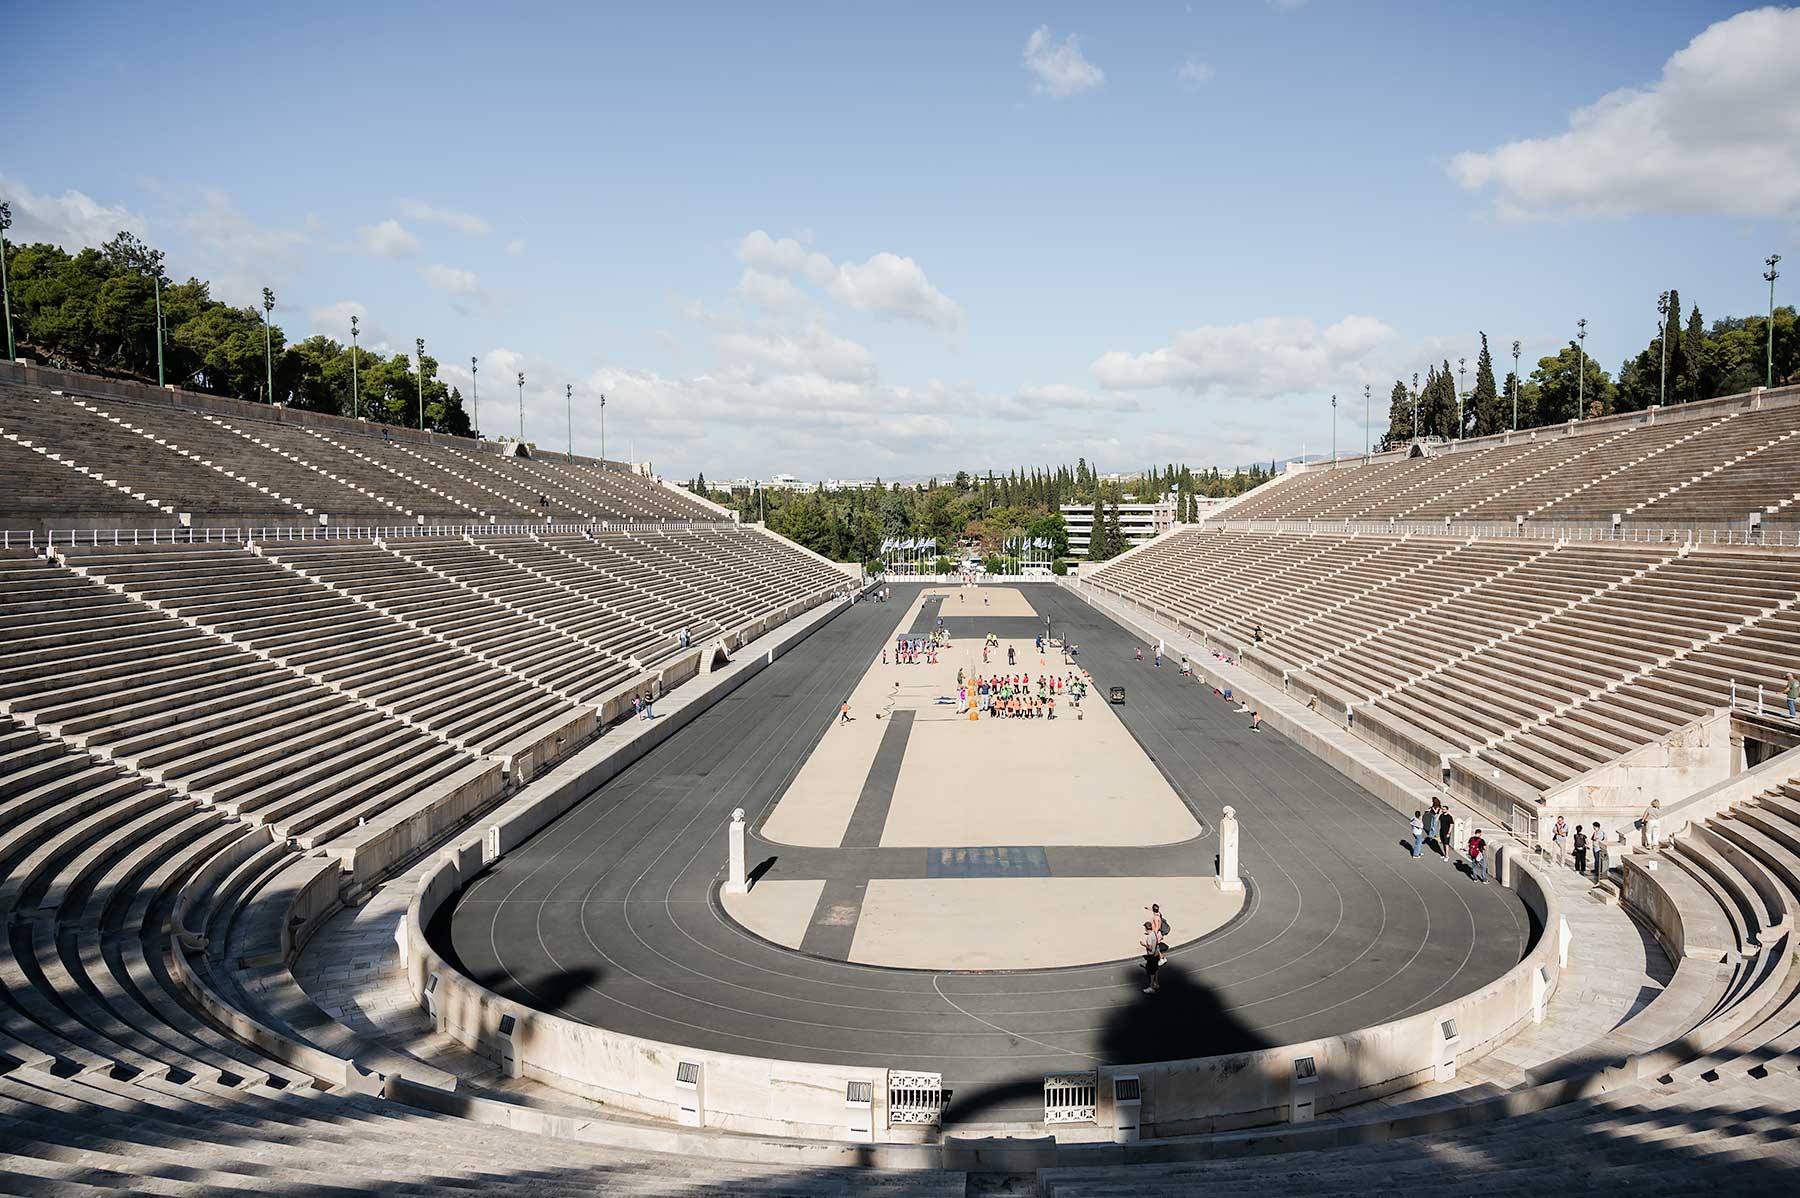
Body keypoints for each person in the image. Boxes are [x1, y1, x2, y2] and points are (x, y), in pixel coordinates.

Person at [1140, 921, 1164, 994]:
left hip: (1151, 956)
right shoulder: (1154, 933)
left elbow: (1150, 948)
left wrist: (1143, 945)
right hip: (1156, 954)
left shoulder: (1149, 937)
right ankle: (1156, 984)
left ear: (1146, 928)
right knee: (1156, 969)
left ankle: (1151, 987)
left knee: (1151, 972)